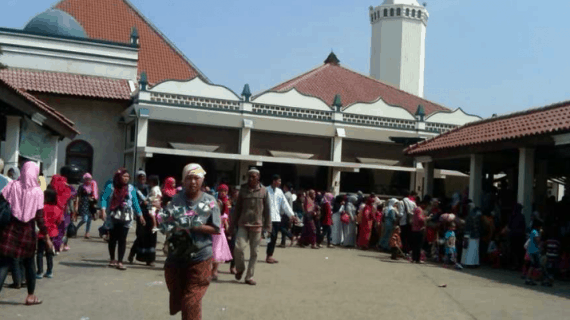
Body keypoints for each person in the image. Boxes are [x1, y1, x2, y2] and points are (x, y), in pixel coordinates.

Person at [157, 163, 221, 320]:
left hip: (200, 257)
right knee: (177, 293)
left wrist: (194, 225)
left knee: (190, 301)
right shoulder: (176, 200)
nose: (193, 182)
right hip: (176, 256)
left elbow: (216, 229)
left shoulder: (209, 200)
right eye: (189, 178)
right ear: (183, 181)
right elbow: (166, 225)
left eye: (196, 178)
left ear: (202, 180)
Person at [0, 161, 50, 305]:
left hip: (10, 229)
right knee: (29, 264)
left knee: (3, 264)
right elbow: (40, 218)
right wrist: (46, 236)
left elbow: (1, 204)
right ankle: (30, 296)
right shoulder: (38, 192)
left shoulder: (12, 186)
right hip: (27, 231)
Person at [231, 168, 271, 285]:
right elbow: (237, 209)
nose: (251, 179)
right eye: (249, 176)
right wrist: (232, 225)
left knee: (254, 252)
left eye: (253, 176)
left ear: (258, 177)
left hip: (257, 225)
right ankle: (240, 269)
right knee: (238, 248)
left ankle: (249, 277)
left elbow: (267, 210)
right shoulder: (243, 190)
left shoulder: (264, 191)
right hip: (243, 224)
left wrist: (268, 227)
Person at [100, 168, 144, 271]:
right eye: (124, 176)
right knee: (113, 238)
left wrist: (140, 215)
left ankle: (120, 261)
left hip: (126, 216)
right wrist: (102, 210)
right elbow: (104, 198)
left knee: (122, 239)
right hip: (113, 216)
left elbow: (135, 202)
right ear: (119, 177)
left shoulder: (131, 188)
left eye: (128, 177)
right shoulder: (111, 187)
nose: (126, 178)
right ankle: (112, 259)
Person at [128, 170, 158, 266]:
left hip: (151, 214)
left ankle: (150, 259)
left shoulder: (150, 189)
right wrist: (142, 204)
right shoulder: (134, 189)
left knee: (152, 236)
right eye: (140, 178)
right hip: (141, 214)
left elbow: (155, 199)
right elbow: (132, 201)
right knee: (141, 236)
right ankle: (133, 253)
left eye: (144, 178)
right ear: (137, 179)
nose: (142, 180)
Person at [266, 175, 296, 263]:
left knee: (274, 237)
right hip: (267, 218)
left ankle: (269, 255)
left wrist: (291, 215)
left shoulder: (279, 192)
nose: (280, 183)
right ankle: (266, 255)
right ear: (274, 181)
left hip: (276, 218)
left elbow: (285, 204)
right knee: (269, 237)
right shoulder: (266, 190)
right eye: (278, 181)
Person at [36, 187, 62, 279]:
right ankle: (49, 271)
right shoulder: (57, 209)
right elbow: (59, 221)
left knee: (39, 252)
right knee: (49, 252)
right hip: (52, 232)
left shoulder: (42, 207)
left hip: (42, 232)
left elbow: (38, 219)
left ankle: (39, 272)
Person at [211, 184, 233, 280]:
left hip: (221, 231)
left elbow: (228, 216)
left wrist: (228, 227)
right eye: (221, 190)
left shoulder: (228, 202)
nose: (222, 192)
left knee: (217, 251)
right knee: (211, 251)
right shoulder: (214, 200)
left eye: (224, 191)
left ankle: (215, 270)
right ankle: (210, 270)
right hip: (212, 230)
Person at [50, 174, 75, 253]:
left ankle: (53, 246)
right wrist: (69, 186)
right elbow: (74, 192)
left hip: (52, 212)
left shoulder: (51, 189)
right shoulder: (66, 191)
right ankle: (59, 246)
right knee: (61, 230)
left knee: (53, 229)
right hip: (63, 213)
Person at [76, 173, 99, 239]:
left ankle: (87, 233)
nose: (88, 181)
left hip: (90, 205)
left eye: (89, 179)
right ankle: (76, 228)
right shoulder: (81, 187)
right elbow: (78, 196)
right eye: (86, 179)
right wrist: (76, 206)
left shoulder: (93, 185)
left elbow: (95, 194)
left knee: (89, 219)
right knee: (84, 219)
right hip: (83, 204)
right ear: (84, 179)